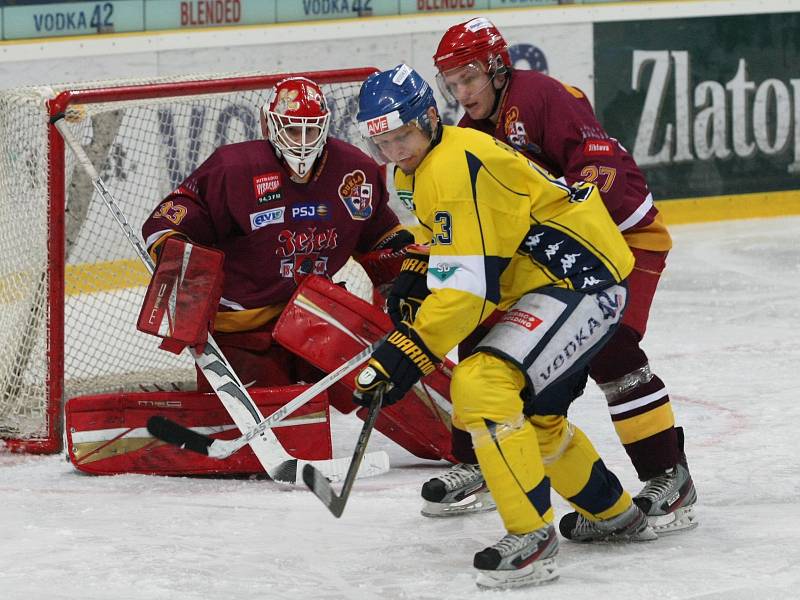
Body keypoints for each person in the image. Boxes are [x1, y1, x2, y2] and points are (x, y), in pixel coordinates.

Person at [352, 64, 656, 590]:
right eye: (383, 141)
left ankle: (531, 538)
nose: (395, 150)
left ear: (427, 118)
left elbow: (468, 293)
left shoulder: (452, 164)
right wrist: (417, 270)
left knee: (482, 383)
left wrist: (405, 351)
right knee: (536, 422)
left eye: (402, 135)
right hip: (555, 282)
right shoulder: (411, 172)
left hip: (581, 278)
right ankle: (614, 514)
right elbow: (441, 237)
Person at [422, 17, 697, 534]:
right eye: (452, 82)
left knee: (611, 348)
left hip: (621, 240)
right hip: (554, 257)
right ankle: (479, 464)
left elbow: (599, 173)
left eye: (470, 78)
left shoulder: (546, 98)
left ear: (499, 68)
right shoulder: (467, 134)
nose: (462, 92)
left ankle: (670, 474)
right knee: (484, 332)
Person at [140, 76, 450, 465]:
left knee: (390, 378)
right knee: (270, 440)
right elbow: (166, 225)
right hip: (242, 329)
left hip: (317, 314)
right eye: (291, 127)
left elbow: (380, 236)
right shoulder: (234, 169)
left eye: (311, 127)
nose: (302, 139)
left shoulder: (353, 170)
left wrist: (405, 279)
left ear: (325, 124)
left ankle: (464, 440)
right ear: (269, 124)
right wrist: (183, 276)